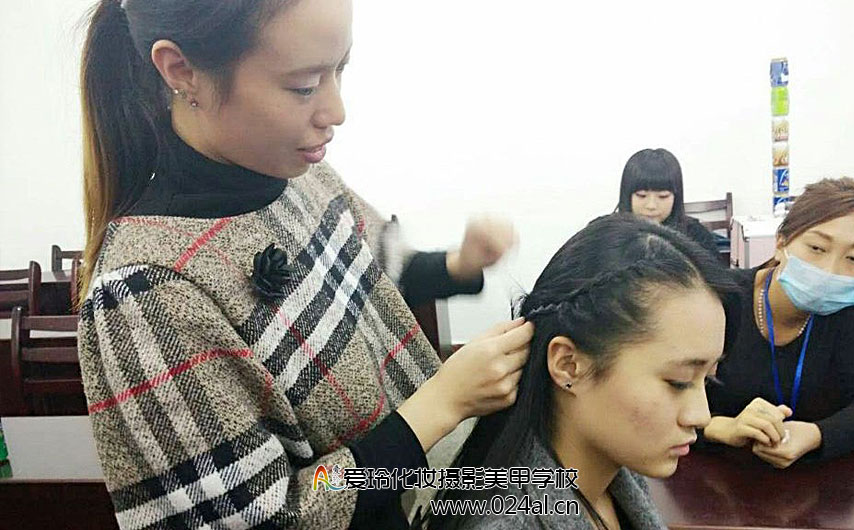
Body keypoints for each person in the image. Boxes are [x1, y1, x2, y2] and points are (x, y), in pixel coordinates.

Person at [76, 1, 534, 528]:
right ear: (182, 71)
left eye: (340, 70)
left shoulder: (300, 178)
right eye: (304, 86)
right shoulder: (146, 292)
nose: (336, 111)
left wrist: (460, 263)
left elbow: (379, 271)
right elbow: (273, 514)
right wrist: (439, 406)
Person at [427, 214, 739, 530]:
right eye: (678, 382)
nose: (702, 416)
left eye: (708, 379)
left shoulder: (613, 475)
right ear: (568, 365)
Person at [702, 177, 854, 468]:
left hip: (813, 481)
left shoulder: (848, 311)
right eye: (817, 248)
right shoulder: (718, 299)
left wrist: (817, 434)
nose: (830, 270)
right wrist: (723, 427)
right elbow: (663, 401)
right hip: (715, 472)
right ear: (781, 242)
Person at [616, 148, 718, 256]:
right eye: (642, 196)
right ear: (627, 195)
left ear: (676, 197)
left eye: (663, 196)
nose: (651, 205)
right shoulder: (609, 234)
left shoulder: (696, 236)